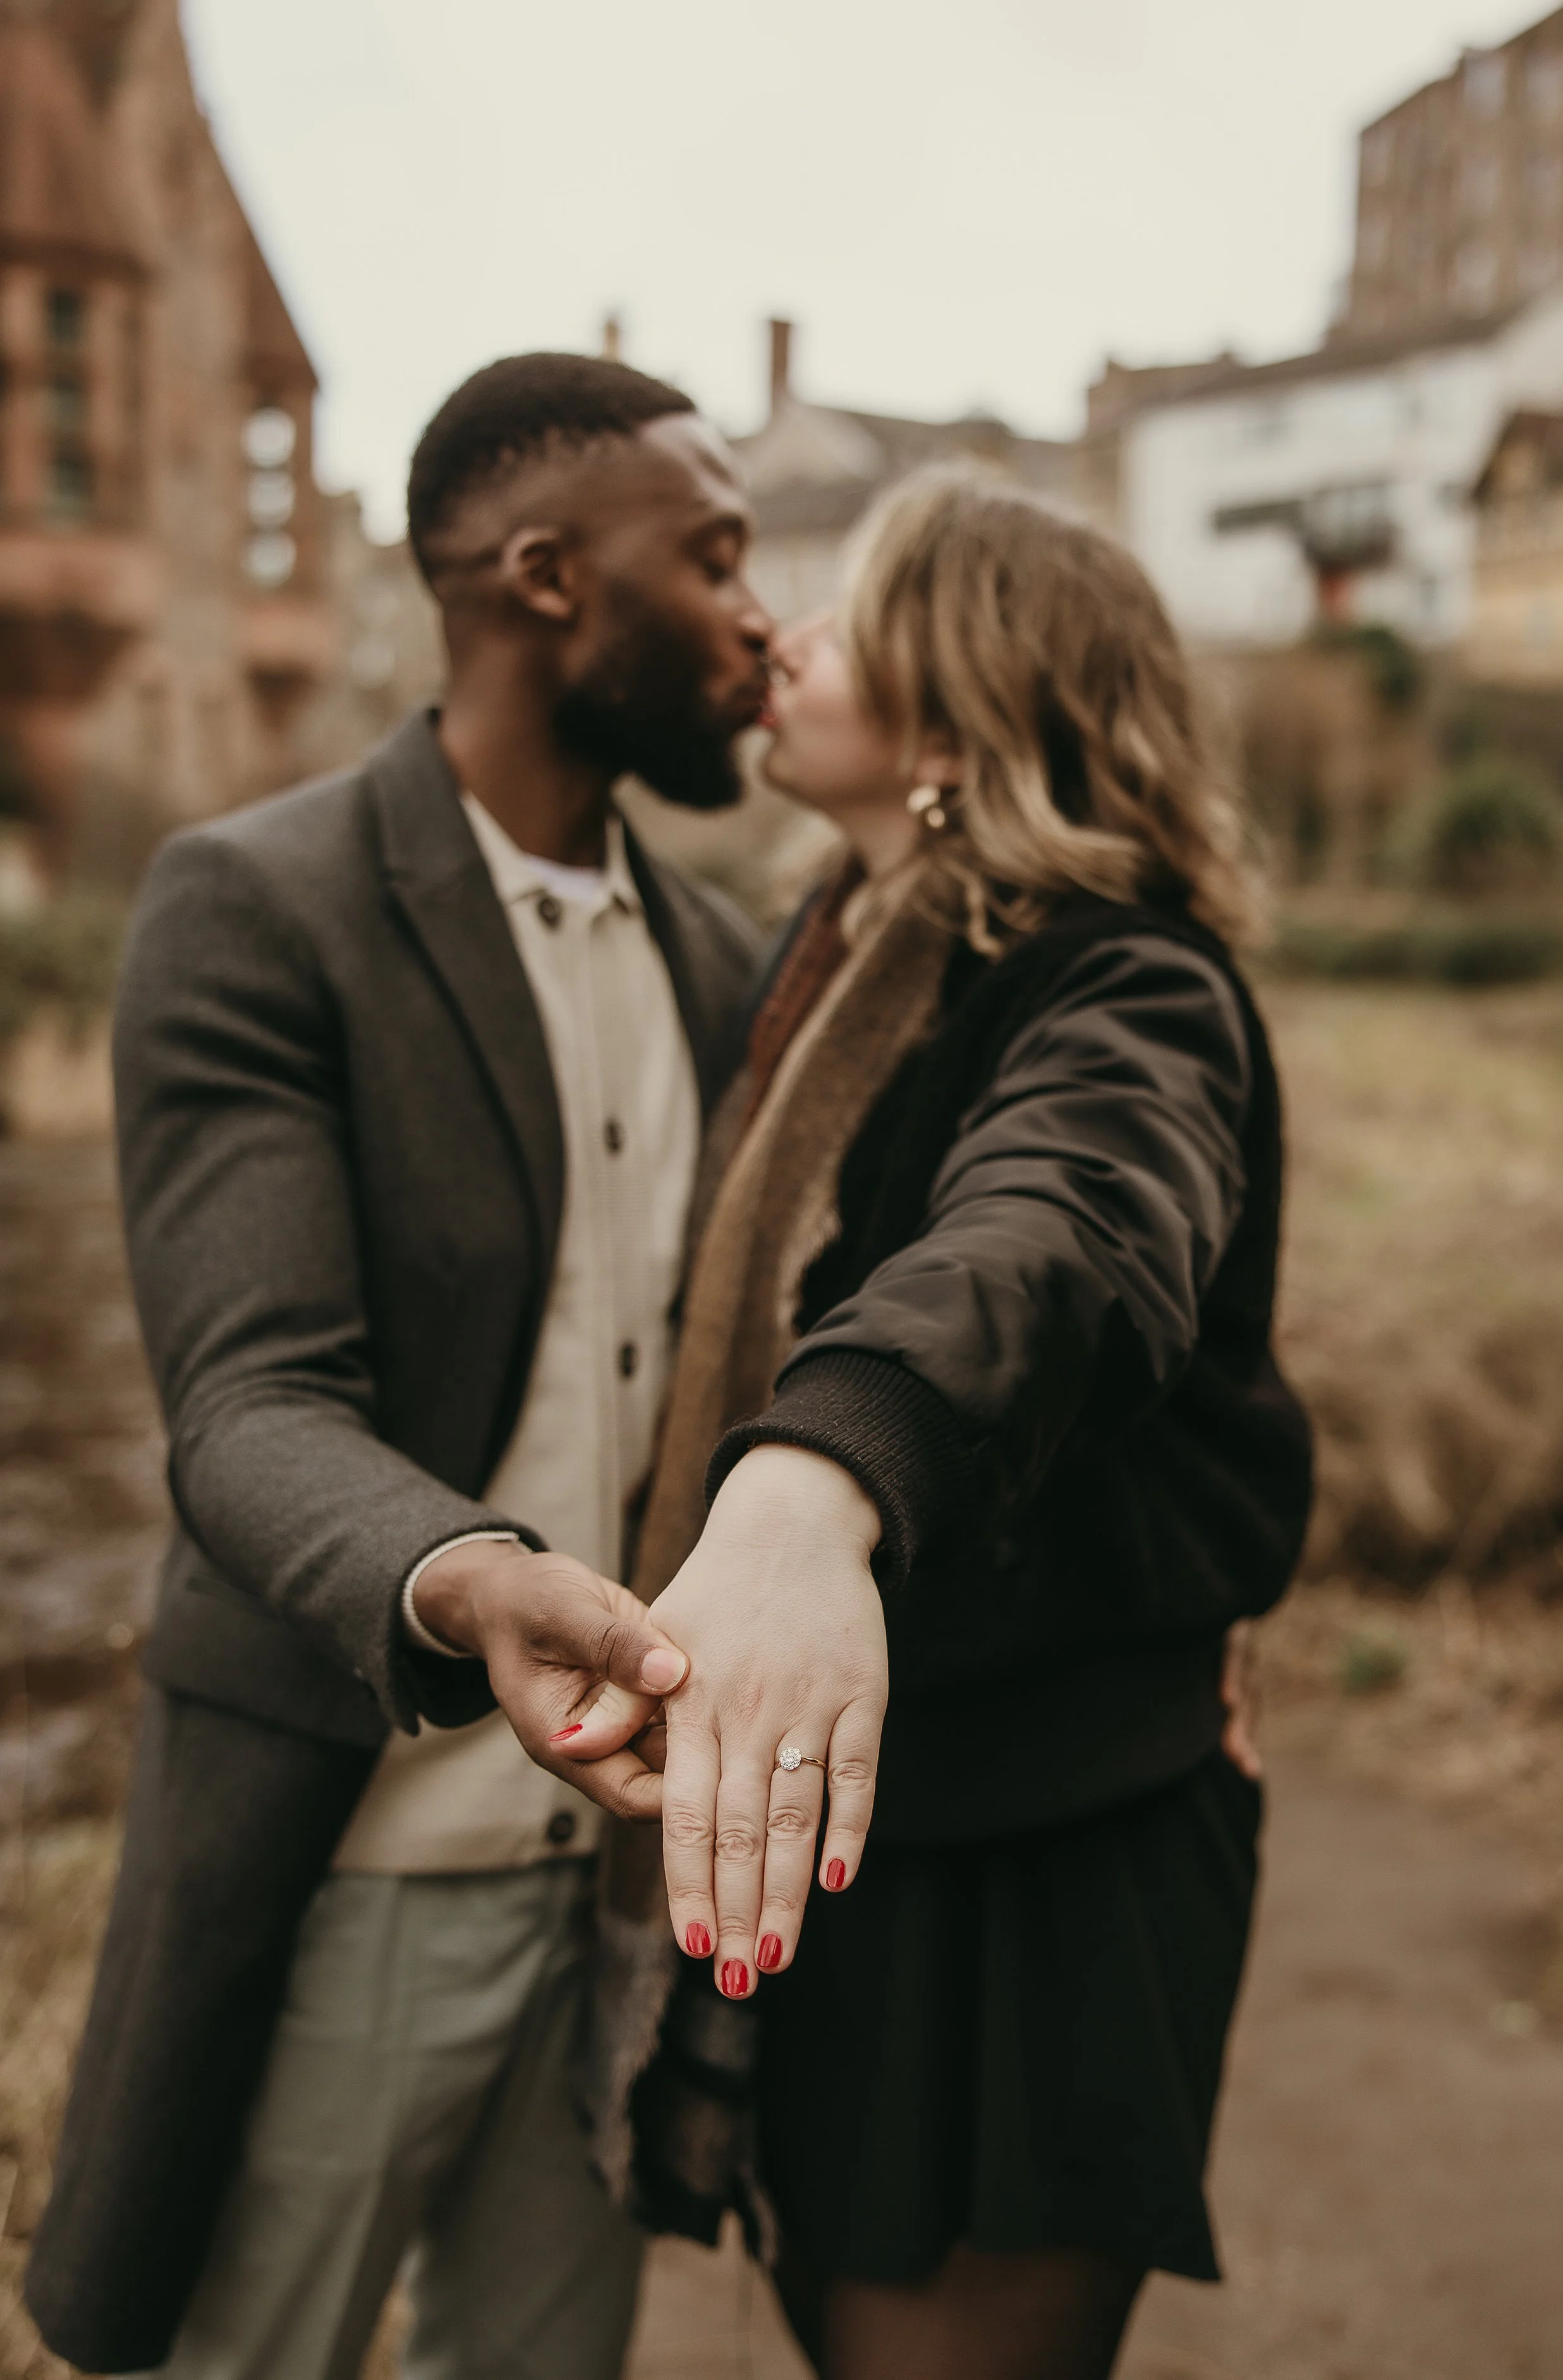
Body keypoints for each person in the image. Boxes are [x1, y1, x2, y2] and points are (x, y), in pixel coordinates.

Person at [25, 353, 773, 2380]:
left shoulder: (725, 964)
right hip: (344, 1867)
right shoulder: (257, 907)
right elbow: (248, 1411)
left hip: (611, 1901)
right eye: (709, 556)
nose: (755, 613)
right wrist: (463, 1578)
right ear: (543, 579)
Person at [611, 470, 1313, 2380]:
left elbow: (1062, 1228)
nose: (782, 641)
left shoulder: (1126, 981)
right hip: (879, 1824)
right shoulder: (826, 961)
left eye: (842, 619)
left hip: (1047, 1856)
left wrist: (818, 1470)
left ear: (950, 716)